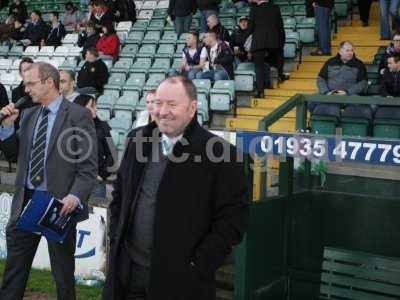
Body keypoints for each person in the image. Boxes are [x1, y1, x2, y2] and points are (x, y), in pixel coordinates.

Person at [102, 76, 249, 300]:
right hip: (128, 275)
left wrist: (197, 264)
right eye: (158, 103)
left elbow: (233, 221)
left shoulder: (223, 154)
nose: (162, 111)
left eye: (172, 104)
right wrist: (116, 237)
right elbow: (120, 194)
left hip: (181, 284)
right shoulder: (138, 141)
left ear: (192, 108)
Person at [0, 62, 97, 300]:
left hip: (59, 205)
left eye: (31, 84)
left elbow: (87, 168)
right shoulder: (30, 114)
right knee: (14, 272)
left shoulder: (78, 115)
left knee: (63, 275)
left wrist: (74, 197)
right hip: (26, 203)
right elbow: (14, 155)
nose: (26, 89)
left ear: (49, 82)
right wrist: (7, 128)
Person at [74, 94, 115, 197]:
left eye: (96, 106)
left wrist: (102, 174)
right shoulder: (68, 127)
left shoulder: (103, 126)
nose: (96, 109)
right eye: (92, 106)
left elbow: (112, 154)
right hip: (73, 182)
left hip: (95, 183)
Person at [249, 0, 286, 97]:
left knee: (258, 67)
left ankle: (260, 92)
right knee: (279, 54)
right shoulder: (275, 8)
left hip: (259, 42)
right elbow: (280, 26)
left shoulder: (254, 9)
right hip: (274, 40)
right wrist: (282, 41)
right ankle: (280, 75)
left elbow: (250, 28)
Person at [11, 57, 37, 131]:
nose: (28, 73)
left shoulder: (40, 90)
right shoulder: (15, 92)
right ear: (20, 73)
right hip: (20, 132)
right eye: (25, 70)